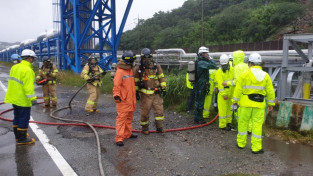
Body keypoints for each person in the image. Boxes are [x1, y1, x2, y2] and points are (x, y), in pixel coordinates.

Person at [232, 53, 275, 154]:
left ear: (250, 63)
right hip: (259, 105)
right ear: (259, 63)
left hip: (245, 104)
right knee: (257, 125)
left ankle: (241, 144)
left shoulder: (244, 75)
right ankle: (256, 148)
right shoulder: (266, 76)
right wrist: (271, 104)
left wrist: (234, 101)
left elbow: (238, 89)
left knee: (242, 123)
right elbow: (270, 91)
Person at [4, 49, 37, 145]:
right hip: (23, 99)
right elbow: (28, 87)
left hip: (14, 98)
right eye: (33, 59)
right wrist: (32, 99)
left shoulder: (14, 67)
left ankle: (18, 136)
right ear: (30, 58)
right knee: (24, 118)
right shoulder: (28, 70)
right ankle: (22, 139)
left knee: (17, 117)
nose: (33, 60)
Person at [134, 48, 166, 135]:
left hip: (156, 93)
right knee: (145, 112)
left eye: (148, 59)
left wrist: (163, 87)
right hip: (145, 95)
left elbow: (161, 77)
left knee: (159, 111)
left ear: (151, 58)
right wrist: (136, 92)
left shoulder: (156, 66)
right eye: (144, 59)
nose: (146, 60)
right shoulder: (138, 69)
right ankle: (145, 128)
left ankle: (159, 127)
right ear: (141, 58)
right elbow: (135, 81)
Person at [113, 51, 137, 146]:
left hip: (130, 100)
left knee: (129, 119)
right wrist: (116, 95)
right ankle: (119, 138)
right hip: (123, 100)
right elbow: (116, 86)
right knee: (121, 120)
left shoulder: (129, 70)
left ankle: (127, 134)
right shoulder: (120, 71)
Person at [223, 50, 250, 131]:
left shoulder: (237, 67)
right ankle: (249, 129)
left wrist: (227, 83)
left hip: (240, 93)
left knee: (238, 112)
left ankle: (241, 129)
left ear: (235, 58)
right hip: (248, 91)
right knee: (248, 113)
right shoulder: (246, 66)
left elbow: (237, 82)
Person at [193, 46, 217, 124]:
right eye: (206, 53)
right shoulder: (201, 62)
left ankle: (197, 118)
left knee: (198, 101)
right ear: (202, 54)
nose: (207, 54)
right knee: (200, 101)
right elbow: (214, 66)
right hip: (200, 84)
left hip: (200, 84)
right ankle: (199, 118)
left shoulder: (200, 61)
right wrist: (210, 58)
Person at [215, 54, 234, 130]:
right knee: (223, 110)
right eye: (222, 65)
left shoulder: (232, 70)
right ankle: (223, 125)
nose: (224, 66)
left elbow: (234, 81)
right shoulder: (219, 72)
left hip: (231, 92)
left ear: (228, 63)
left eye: (225, 64)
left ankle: (228, 123)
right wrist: (223, 94)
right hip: (224, 94)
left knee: (230, 110)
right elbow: (220, 84)